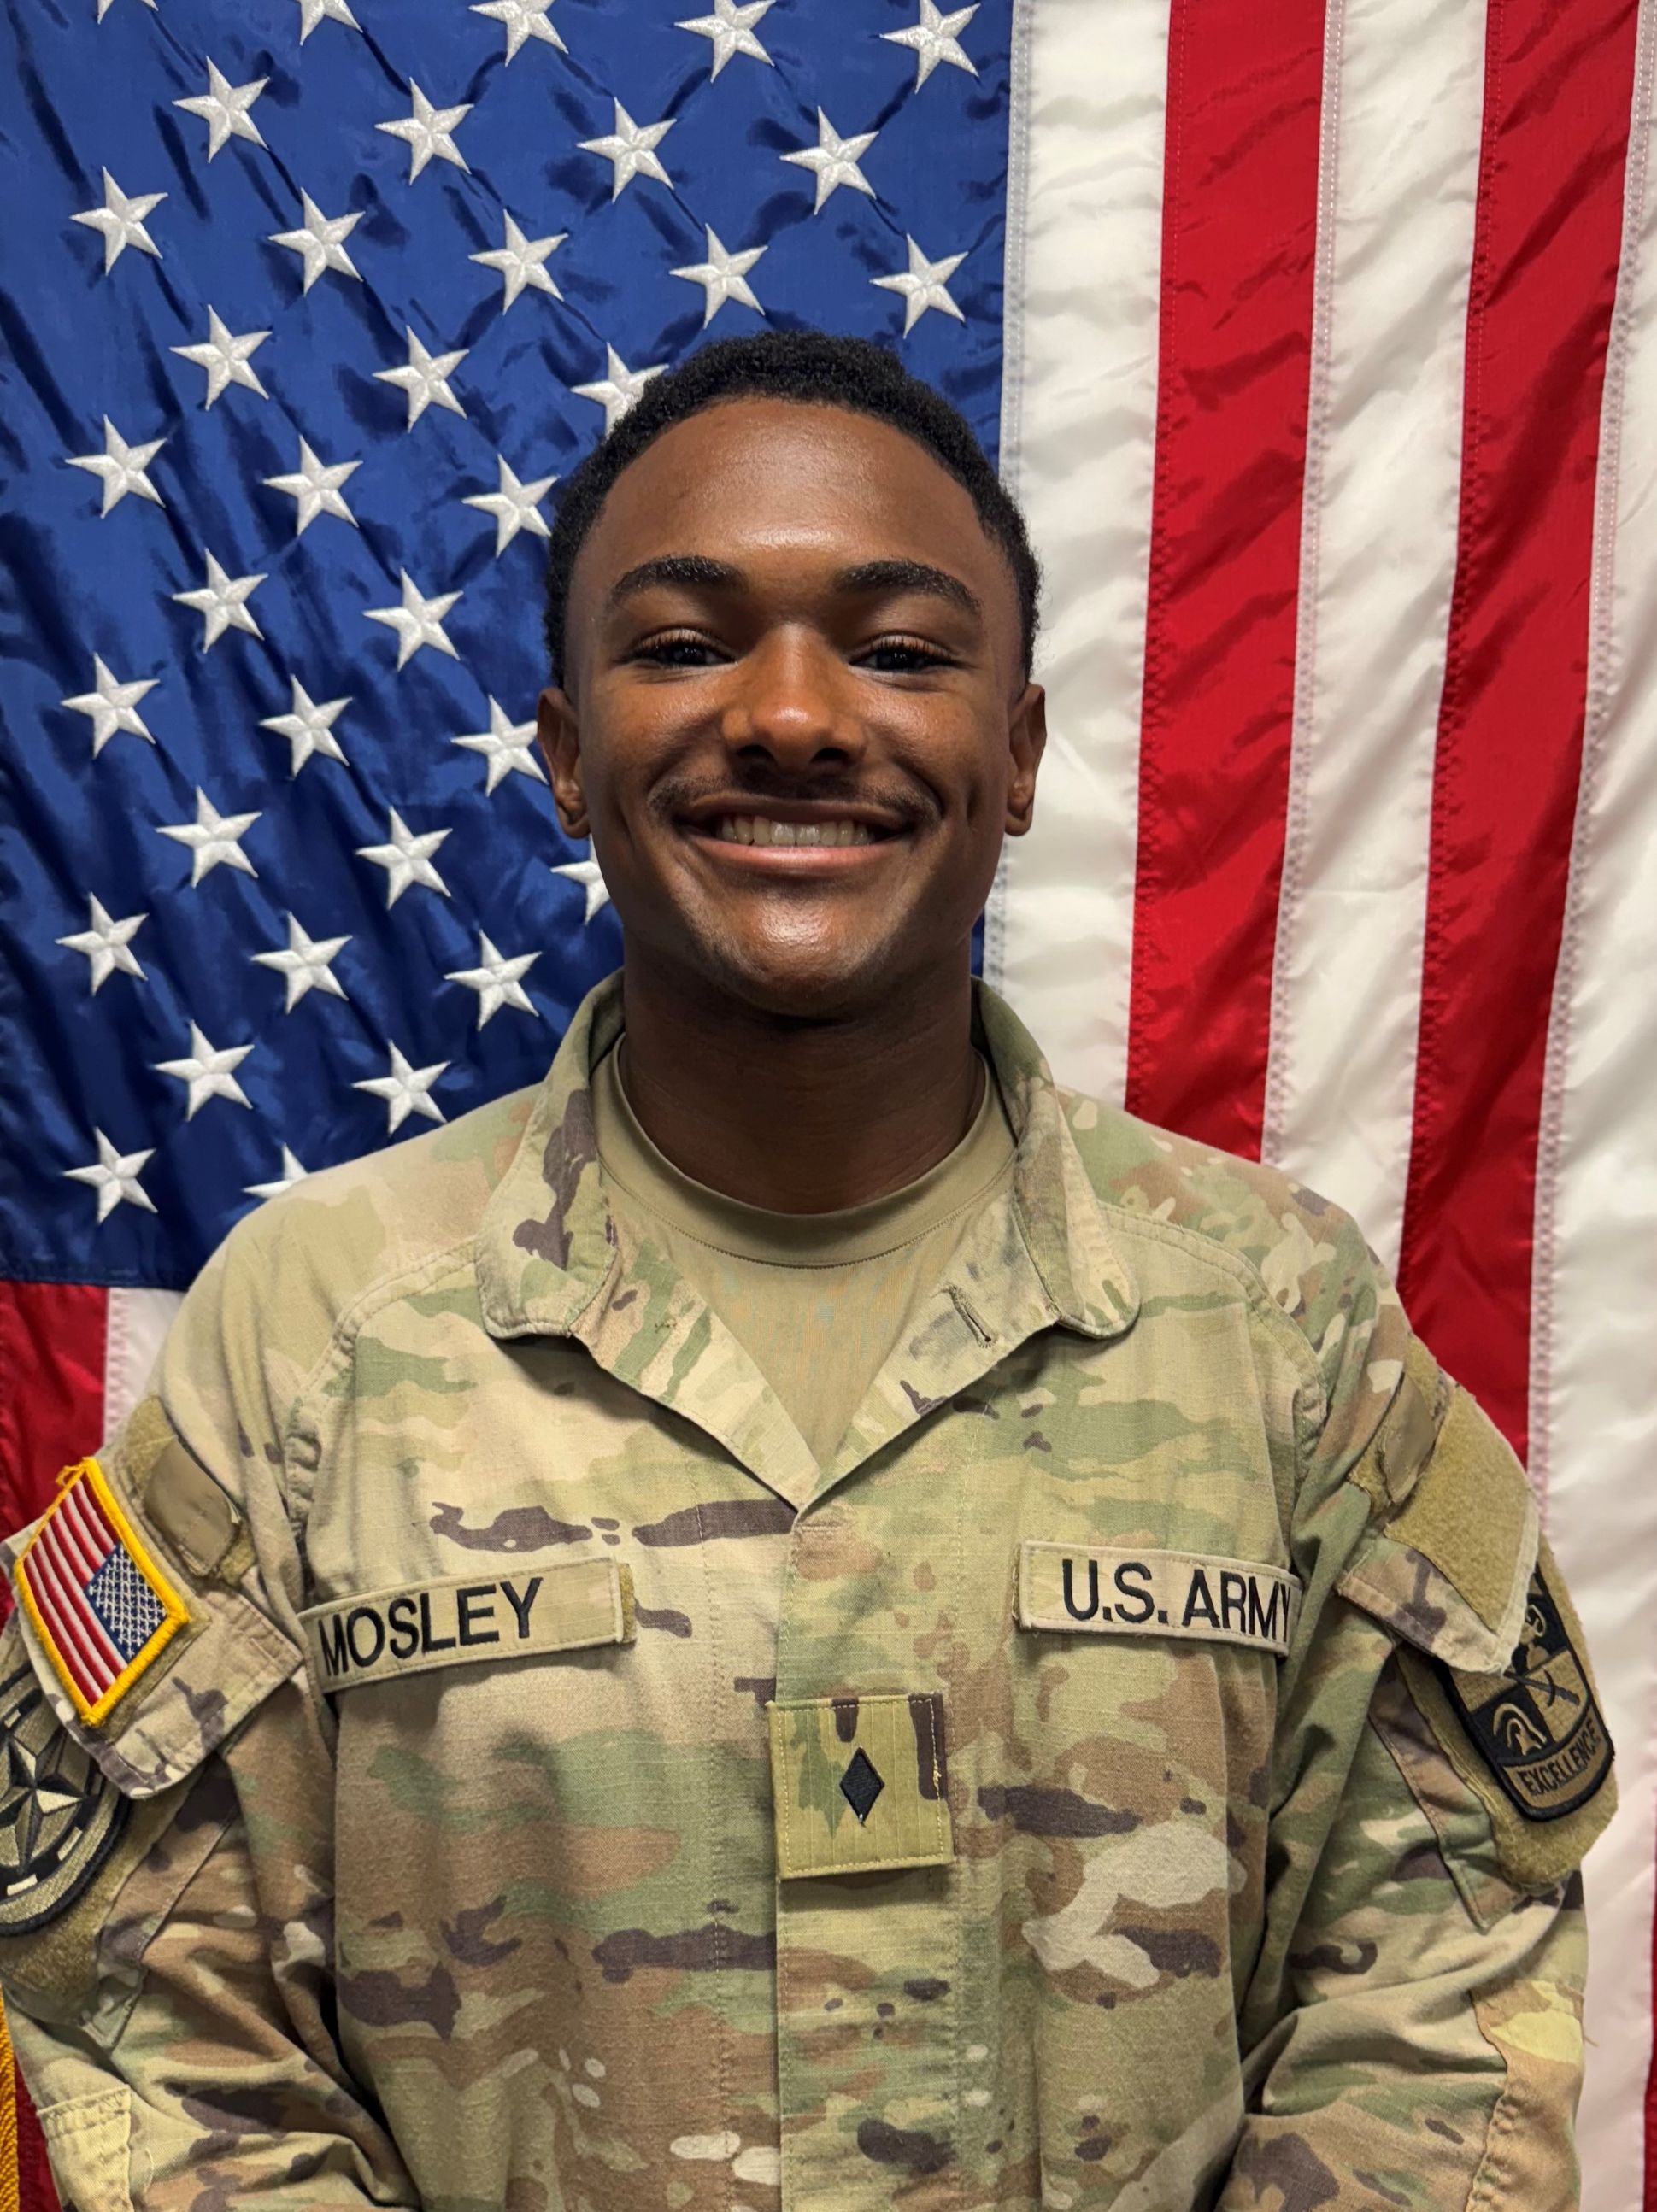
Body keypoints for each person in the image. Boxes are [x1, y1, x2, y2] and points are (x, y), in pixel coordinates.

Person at [0, 329, 1614, 2212]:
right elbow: (159, 2024)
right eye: (683, 642)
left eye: (902, 649)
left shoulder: (1274, 1323)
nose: (789, 713)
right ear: (566, 752)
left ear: (1015, 756)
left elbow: (1440, 1996)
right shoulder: (313, 1332)